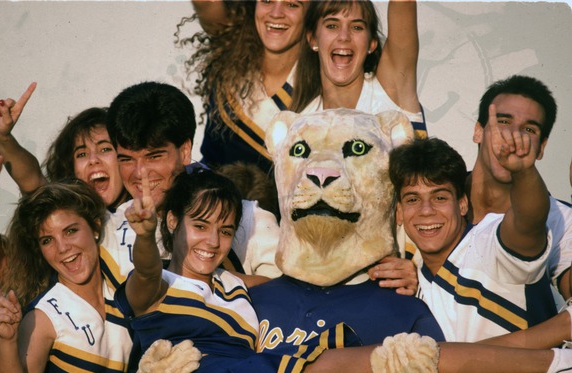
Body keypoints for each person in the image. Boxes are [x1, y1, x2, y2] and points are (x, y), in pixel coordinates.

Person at [118, 166, 572, 373]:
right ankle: (551, 361)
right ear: (172, 221)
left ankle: (554, 346)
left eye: (224, 230)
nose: (213, 242)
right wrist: (142, 236)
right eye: (200, 226)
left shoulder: (237, 286)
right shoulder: (155, 286)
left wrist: (401, 263)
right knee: (395, 362)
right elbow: (145, 269)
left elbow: (306, 280)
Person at [389, 133, 570, 373]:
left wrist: (524, 174)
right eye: (412, 199)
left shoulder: (487, 242)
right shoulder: (412, 281)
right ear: (399, 212)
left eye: (439, 197)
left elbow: (528, 221)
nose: (426, 211)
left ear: (462, 204)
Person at [0, 180, 133, 373]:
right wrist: (7, 340)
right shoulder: (43, 317)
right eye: (47, 240)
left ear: (95, 227)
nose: (63, 248)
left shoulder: (125, 293)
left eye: (70, 231)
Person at [103, 80, 281, 282]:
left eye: (154, 157)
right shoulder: (111, 231)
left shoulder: (251, 220)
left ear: (185, 151)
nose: (139, 172)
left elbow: (290, 296)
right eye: (127, 159)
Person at [0, 84, 127, 291]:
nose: (93, 160)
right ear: (70, 168)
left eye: (105, 149)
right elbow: (33, 181)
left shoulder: (155, 215)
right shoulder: (58, 227)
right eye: (82, 154)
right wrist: (3, 139)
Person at [467, 75, 571, 303]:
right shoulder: (432, 199)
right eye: (503, 122)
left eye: (529, 129)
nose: (514, 137)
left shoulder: (563, 219)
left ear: (542, 148)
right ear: (478, 131)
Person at [178, 0, 307, 174]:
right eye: (267, 1)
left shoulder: (322, 83)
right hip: (216, 194)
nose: (276, 13)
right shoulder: (232, 57)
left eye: (292, 4)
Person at [292, 0, 427, 139]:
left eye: (357, 27)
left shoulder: (389, 91)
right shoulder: (301, 124)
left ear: (371, 44)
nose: (344, 37)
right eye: (332, 26)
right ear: (313, 39)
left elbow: (403, 4)